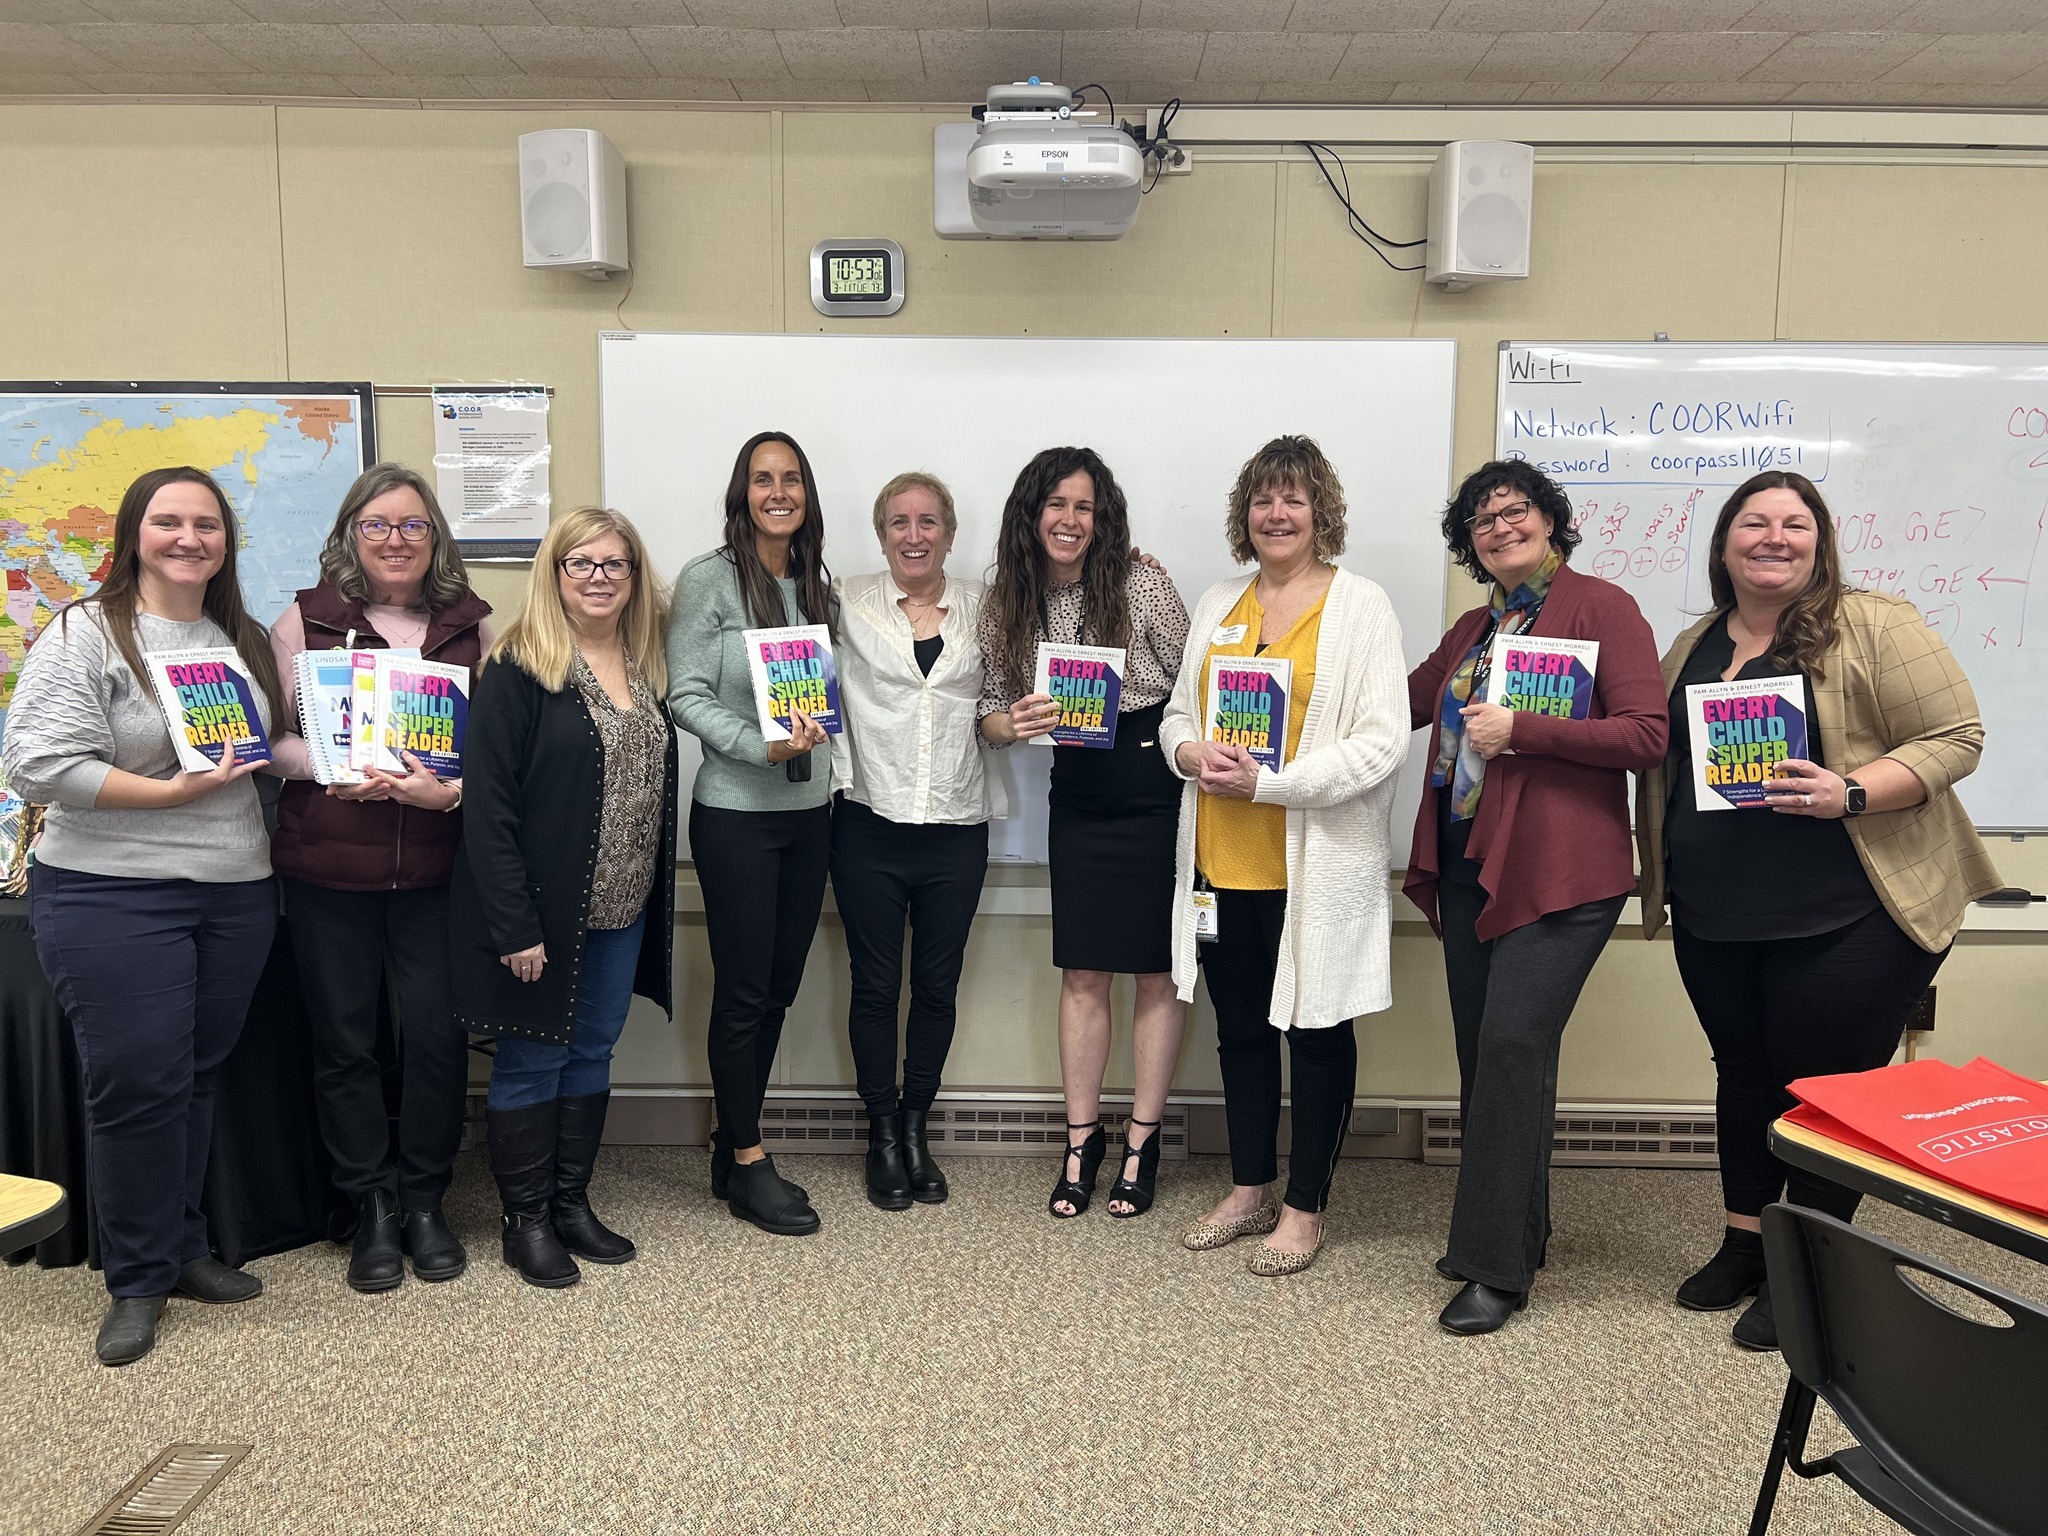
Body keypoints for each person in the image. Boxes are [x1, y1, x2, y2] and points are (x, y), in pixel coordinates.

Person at [1638, 470, 2000, 1352]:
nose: (1774, 537)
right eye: (1753, 523)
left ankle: (1812, 1272)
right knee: (1744, 1074)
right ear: (1724, 543)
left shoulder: (1874, 623)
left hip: (1852, 915)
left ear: (1820, 540)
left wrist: (1847, 792)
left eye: (1795, 524)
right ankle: (1745, 1244)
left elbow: (1958, 738)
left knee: (1826, 1095)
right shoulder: (1690, 643)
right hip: (1717, 913)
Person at [6, 467, 284, 1366]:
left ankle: (184, 1247)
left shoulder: (237, 637)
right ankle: (135, 1280)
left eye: (207, 524)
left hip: (236, 890)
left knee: (196, 1074)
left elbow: (265, 751)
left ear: (225, 543)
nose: (189, 538)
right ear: (132, 535)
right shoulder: (85, 632)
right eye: (169, 521)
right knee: (136, 1085)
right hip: (109, 890)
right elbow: (40, 764)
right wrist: (170, 798)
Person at [1402, 460, 1667, 1333]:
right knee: (1490, 1057)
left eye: (1516, 510)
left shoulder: (1602, 607)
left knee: (1513, 1046)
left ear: (1550, 520)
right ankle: (1518, 1232)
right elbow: (1396, 703)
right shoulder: (1474, 627)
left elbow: (1646, 734)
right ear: (1469, 544)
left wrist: (1527, 730)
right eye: (1481, 520)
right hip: (1472, 859)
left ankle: (1492, 1269)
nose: (1500, 525)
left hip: (1562, 870)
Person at [1161, 436, 1407, 1275]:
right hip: (1220, 862)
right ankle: (1249, 1186)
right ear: (1246, 514)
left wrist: (1271, 785)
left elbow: (1380, 745)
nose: (1277, 513)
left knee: (1316, 1031)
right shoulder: (1217, 601)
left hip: (1314, 868)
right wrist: (1190, 755)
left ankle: (1304, 1210)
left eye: (1294, 499)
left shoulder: (1360, 606)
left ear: (1320, 512)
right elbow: (1175, 720)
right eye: (1263, 499)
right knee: (1238, 1032)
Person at [266, 463, 492, 1294]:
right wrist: (327, 765)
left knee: (436, 1042)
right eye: (377, 525)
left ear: (435, 538)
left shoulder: (473, 627)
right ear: (350, 536)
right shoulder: (305, 619)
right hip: (330, 870)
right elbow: (271, 738)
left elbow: (491, 755)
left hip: (438, 875)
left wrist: (451, 790)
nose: (395, 540)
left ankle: (426, 1200)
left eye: (412, 526)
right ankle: (370, 1206)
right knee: (346, 1045)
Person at [450, 507, 677, 1288]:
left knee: (591, 1050)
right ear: (553, 576)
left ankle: (571, 1203)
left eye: (615, 564)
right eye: (581, 564)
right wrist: (514, 924)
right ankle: (527, 1221)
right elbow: (489, 806)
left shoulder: (647, 667)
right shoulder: (519, 668)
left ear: (635, 578)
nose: (599, 578)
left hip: (623, 909)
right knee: (532, 1055)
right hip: (543, 915)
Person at [977, 446, 1190, 1220]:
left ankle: (1142, 1140)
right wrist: (1013, 720)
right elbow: (992, 715)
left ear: (1104, 520)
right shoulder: (1007, 600)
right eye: (1056, 505)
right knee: (1082, 975)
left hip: (1156, 789)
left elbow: (1195, 683)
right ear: (1031, 514)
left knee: (1157, 974)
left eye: (1085, 508)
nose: (1070, 521)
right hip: (1078, 794)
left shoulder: (1141, 583)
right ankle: (1081, 1142)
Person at [667, 431, 837, 1237]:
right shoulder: (709, 582)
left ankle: (733, 1140)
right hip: (737, 813)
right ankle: (746, 1160)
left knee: (777, 990)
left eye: (792, 479)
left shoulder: (815, 584)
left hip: (810, 817)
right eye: (763, 479)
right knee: (741, 994)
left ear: (807, 493)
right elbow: (686, 695)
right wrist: (756, 744)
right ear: (743, 493)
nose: (779, 492)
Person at [830, 472, 1004, 1210]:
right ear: (880, 533)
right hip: (869, 821)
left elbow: (1058, 630)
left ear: (950, 533)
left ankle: (915, 1128)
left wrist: (1129, 566)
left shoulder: (989, 607)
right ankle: (880, 1135)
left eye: (928, 521)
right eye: (898, 521)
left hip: (957, 827)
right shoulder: (842, 602)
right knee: (874, 988)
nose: (913, 535)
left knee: (936, 988)